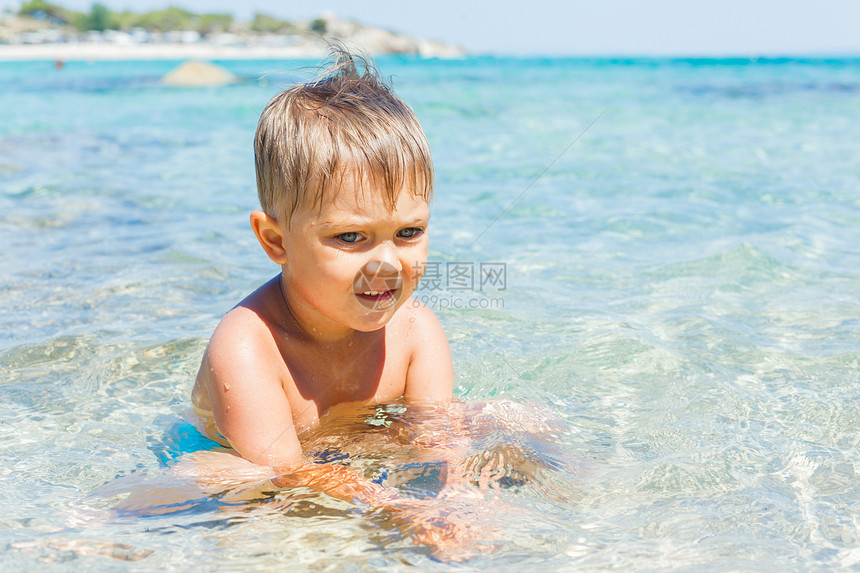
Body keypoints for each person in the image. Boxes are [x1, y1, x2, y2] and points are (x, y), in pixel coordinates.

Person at [190, 50, 460, 540]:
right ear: (276, 242)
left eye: (408, 232)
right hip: (269, 465)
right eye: (350, 238)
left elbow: (439, 443)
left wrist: (462, 500)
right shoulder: (248, 345)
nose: (387, 263)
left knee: (520, 429)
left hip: (358, 450)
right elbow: (288, 473)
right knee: (233, 480)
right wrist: (399, 508)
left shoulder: (417, 331)